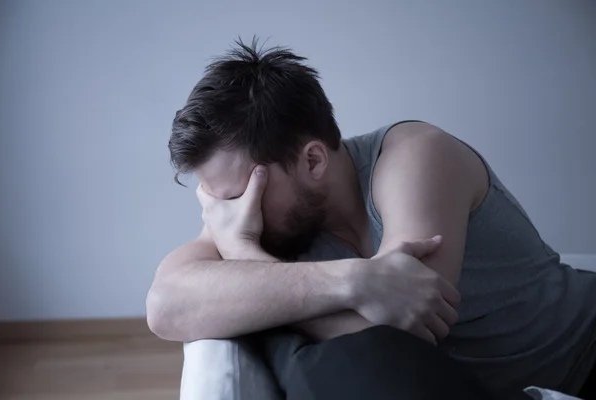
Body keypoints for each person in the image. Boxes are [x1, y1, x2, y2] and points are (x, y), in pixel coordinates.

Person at [146, 39, 596, 399]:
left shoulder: (413, 157)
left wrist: (261, 283)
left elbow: (399, 343)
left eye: (247, 190)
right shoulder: (249, 223)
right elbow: (165, 307)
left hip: (585, 357)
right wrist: (353, 280)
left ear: (314, 161)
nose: (234, 211)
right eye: (220, 200)